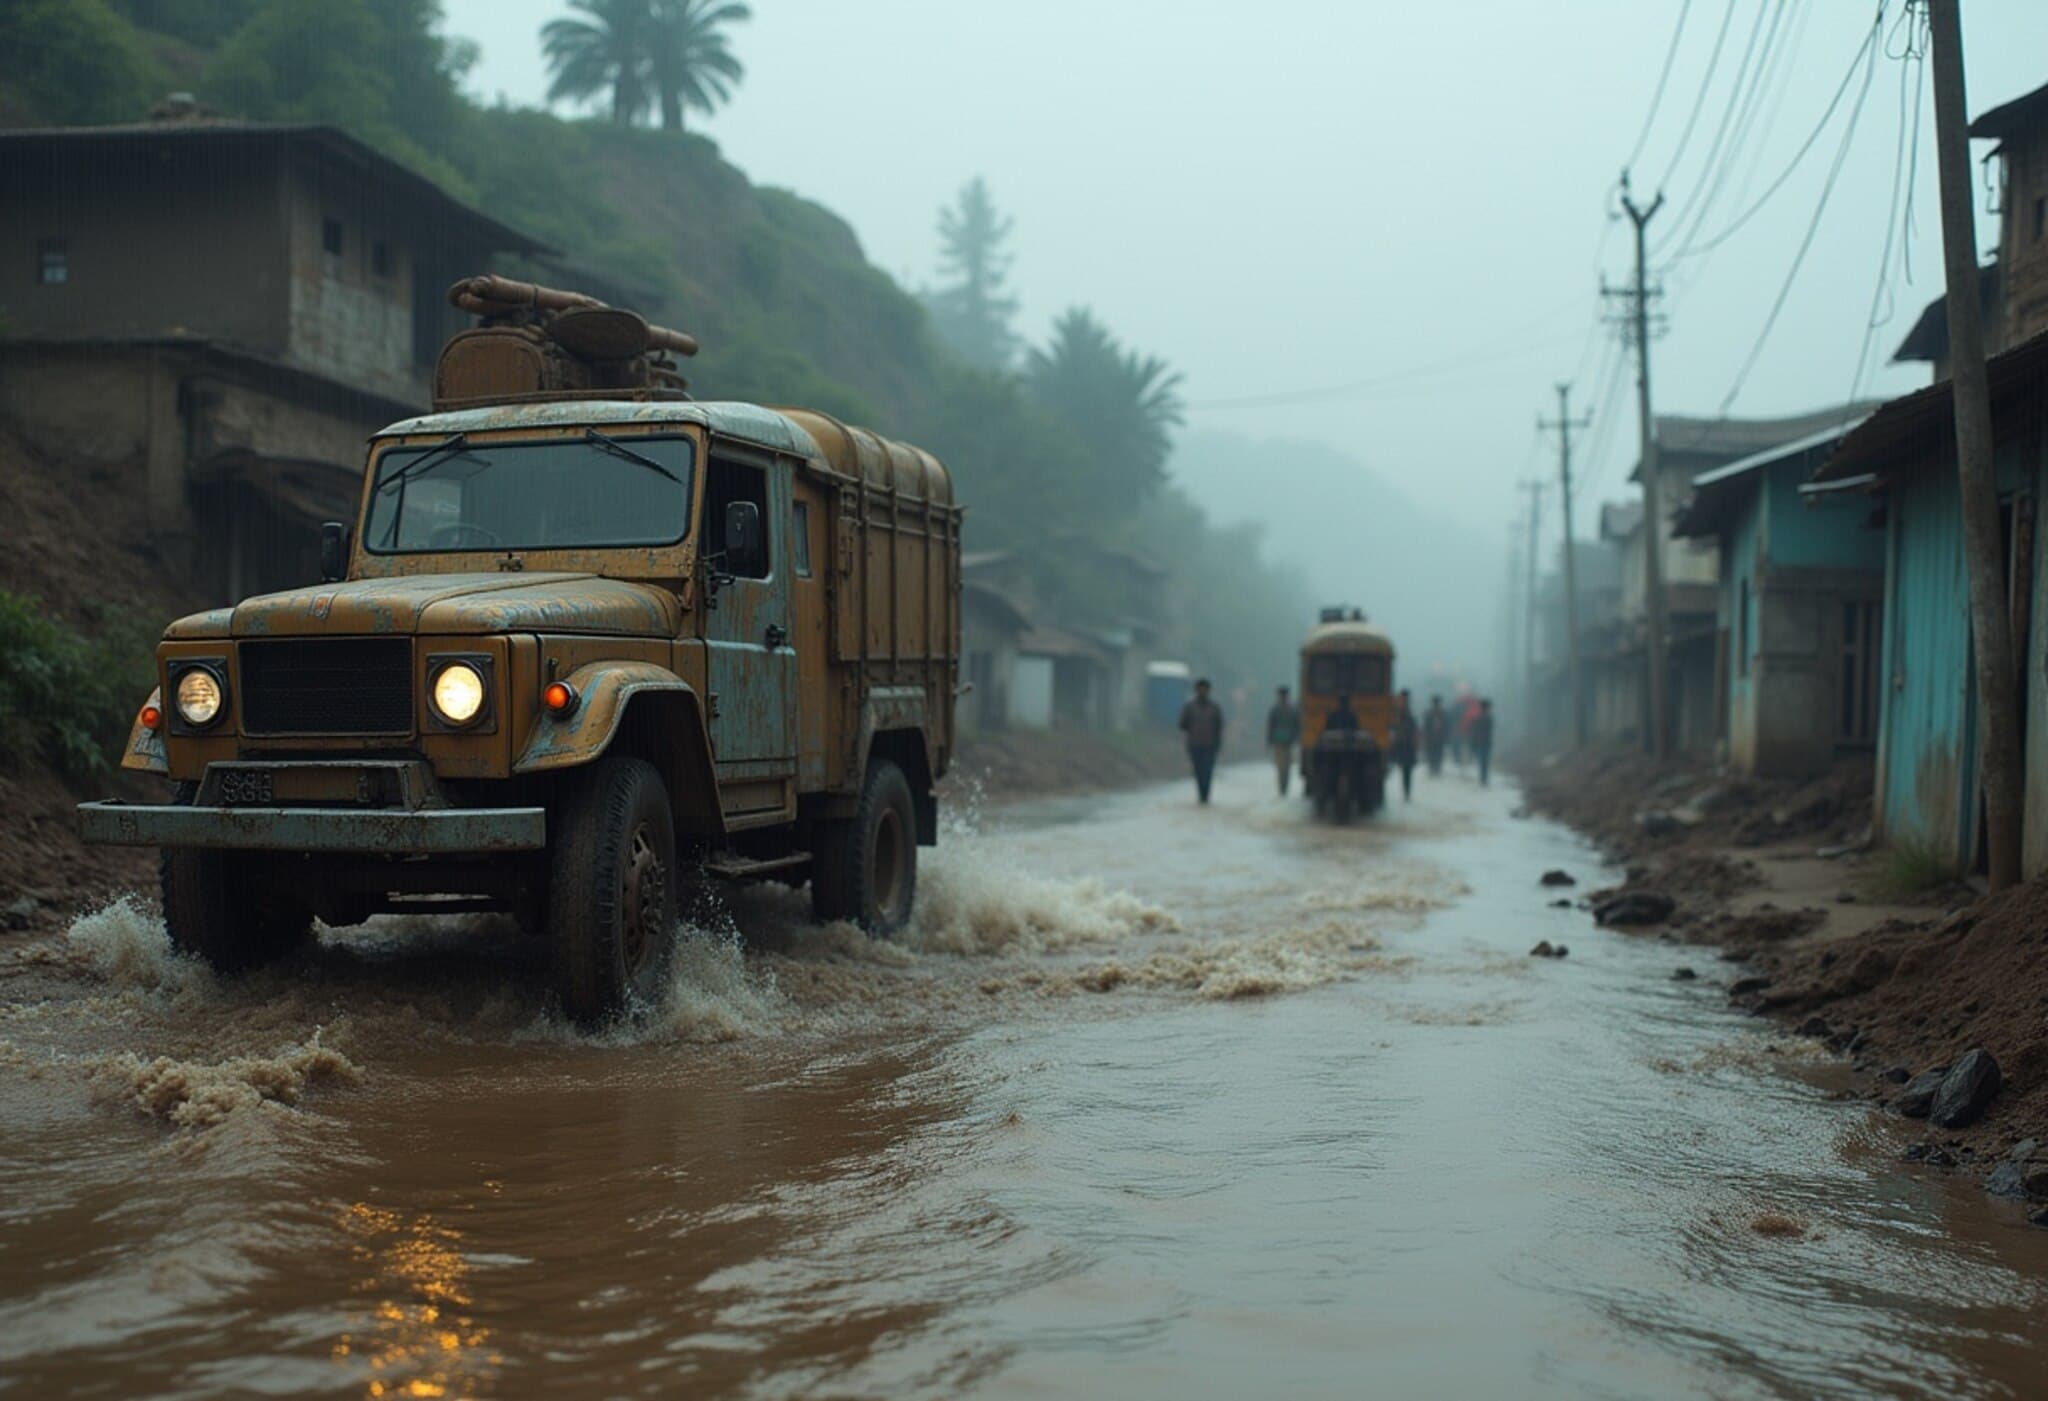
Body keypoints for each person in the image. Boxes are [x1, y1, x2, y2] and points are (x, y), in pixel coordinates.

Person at [1178, 677, 1225, 804]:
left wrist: (1218, 744)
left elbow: (1219, 727)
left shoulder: (1215, 708)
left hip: (1210, 745)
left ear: (1208, 691)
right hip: (1195, 745)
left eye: (1205, 689)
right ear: (1196, 690)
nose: (1202, 691)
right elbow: (1182, 724)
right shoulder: (1189, 707)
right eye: (1200, 689)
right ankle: (1201, 794)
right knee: (1198, 771)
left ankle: (1205, 795)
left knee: (1208, 771)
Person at [1265, 685, 1301, 797]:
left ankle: (1284, 788)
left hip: (1288, 742)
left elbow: (1297, 725)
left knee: (1287, 767)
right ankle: (1282, 788)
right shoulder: (1275, 710)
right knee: (1281, 767)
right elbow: (1270, 726)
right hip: (1278, 742)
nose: (1283, 697)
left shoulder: (1292, 710)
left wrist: (1296, 738)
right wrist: (1270, 740)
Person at [1390, 689, 1419, 800]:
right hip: (1402, 745)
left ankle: (1406, 793)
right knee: (1405, 771)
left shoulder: (1408, 713)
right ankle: (1406, 792)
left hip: (1407, 745)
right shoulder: (1398, 711)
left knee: (1407, 771)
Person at [1422, 694, 1449, 776]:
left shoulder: (1443, 714)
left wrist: (1445, 735)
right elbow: (1426, 726)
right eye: (1436, 703)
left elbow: (1446, 726)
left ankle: (1437, 768)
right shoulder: (1429, 714)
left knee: (1439, 753)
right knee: (1431, 753)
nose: (1436, 705)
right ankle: (1432, 768)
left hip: (1439, 738)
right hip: (1431, 738)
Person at [1471, 698, 1496, 786]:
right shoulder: (1487, 718)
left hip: (1482, 743)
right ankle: (1483, 778)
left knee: (1483, 761)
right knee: (1484, 761)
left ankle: (1483, 778)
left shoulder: (1480, 718)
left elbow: (1475, 732)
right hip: (1483, 743)